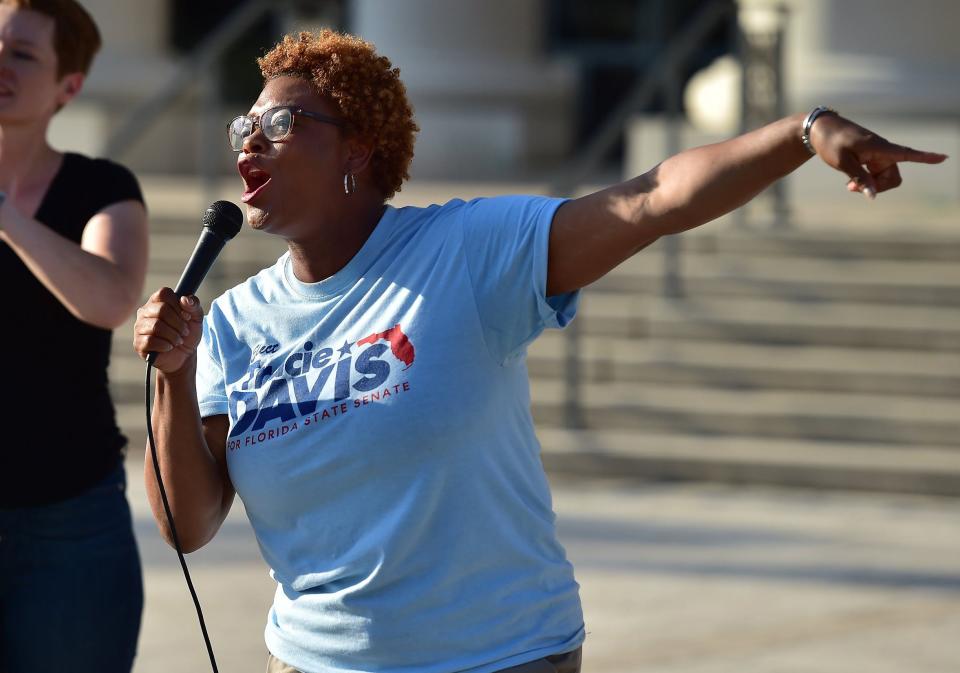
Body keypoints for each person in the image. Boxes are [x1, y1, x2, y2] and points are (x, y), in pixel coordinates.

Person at [132, 29, 946, 673]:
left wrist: (801, 134)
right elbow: (187, 523)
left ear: (359, 149)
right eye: (247, 125)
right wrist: (173, 376)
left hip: (500, 658)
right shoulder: (236, 320)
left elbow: (653, 199)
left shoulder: (465, 250)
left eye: (282, 123)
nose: (252, 141)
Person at [0, 1, 149, 671]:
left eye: (22, 53)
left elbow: (112, 297)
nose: (0, 62)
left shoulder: (102, 187)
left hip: (69, 526)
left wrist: (5, 216)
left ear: (70, 85)